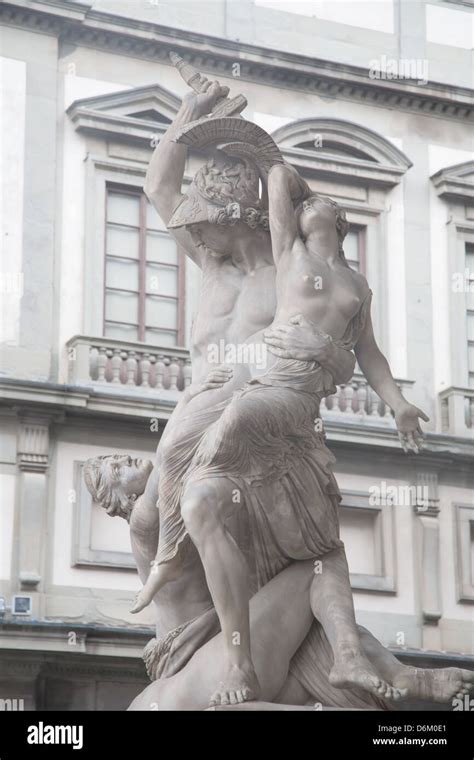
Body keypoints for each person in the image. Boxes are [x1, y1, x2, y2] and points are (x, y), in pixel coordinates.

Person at [131, 154, 430, 706]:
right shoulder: (285, 253)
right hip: (255, 394)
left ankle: (354, 663)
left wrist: (397, 403)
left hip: (288, 406)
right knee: (184, 466)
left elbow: (369, 357)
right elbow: (269, 177)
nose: (316, 207)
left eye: (329, 208)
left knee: (221, 441)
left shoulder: (351, 285)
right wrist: (255, 156)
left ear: (339, 228)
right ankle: (182, 571)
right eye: (308, 206)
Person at [83, 455, 474, 711]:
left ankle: (385, 671)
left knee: (323, 633)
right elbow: (171, 457)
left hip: (222, 664)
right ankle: (366, 663)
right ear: (121, 502)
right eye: (116, 471)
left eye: (118, 460)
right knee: (317, 567)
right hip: (222, 660)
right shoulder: (144, 527)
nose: (126, 461)